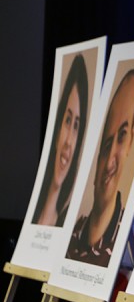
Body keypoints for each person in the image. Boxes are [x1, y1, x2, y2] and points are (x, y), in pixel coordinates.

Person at [67, 69, 134, 267]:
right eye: (107, 145)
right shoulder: (72, 234)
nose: (108, 163)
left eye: (122, 135)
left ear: (132, 135)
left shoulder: (127, 239)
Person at [33, 54, 88, 227]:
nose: (69, 142)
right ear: (57, 132)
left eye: (76, 126)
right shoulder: (31, 212)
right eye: (68, 121)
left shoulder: (66, 227)